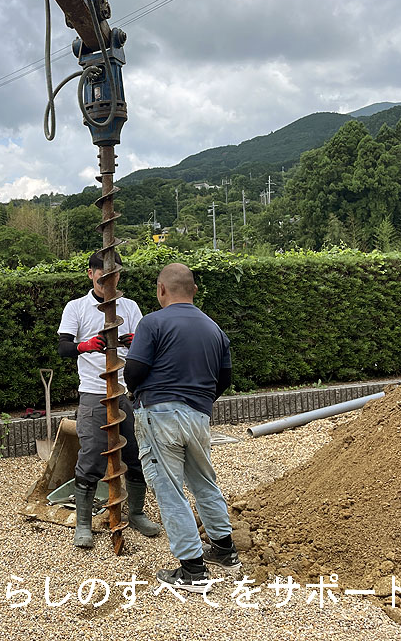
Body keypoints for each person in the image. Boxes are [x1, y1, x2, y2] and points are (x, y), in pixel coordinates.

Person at [123, 262, 238, 592]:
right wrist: (199, 400)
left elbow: (133, 373)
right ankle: (225, 551)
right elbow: (224, 378)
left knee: (169, 488)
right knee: (204, 483)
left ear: (161, 290)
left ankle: (192, 571)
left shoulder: (153, 323)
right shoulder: (214, 329)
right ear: (195, 291)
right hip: (199, 417)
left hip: (160, 415)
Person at [57, 250, 161, 549]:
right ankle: (84, 524)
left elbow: (148, 347)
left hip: (125, 392)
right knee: (91, 457)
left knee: (136, 455)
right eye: (104, 278)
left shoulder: (129, 307)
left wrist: (134, 341)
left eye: (115, 277)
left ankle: (137, 513)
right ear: (91, 274)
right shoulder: (76, 308)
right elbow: (63, 347)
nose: (109, 283)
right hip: (93, 393)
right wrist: (84, 346)